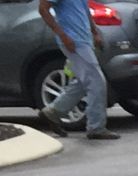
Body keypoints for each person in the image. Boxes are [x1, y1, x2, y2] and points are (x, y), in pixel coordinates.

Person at [36, 0, 119, 140]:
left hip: (83, 40)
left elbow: (85, 11)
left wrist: (94, 33)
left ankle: (53, 112)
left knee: (82, 82)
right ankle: (96, 127)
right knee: (97, 82)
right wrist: (63, 35)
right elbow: (43, 9)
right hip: (73, 42)